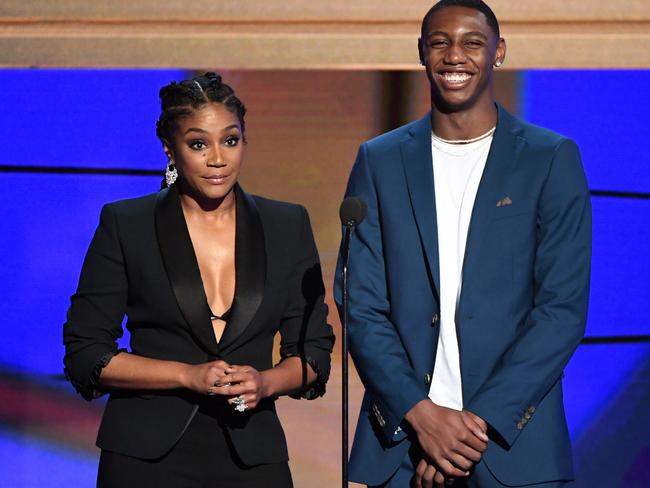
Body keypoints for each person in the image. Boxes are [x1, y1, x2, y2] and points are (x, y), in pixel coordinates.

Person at [334, 1, 591, 487]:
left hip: (513, 449)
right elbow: (359, 302)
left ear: (498, 52)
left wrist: (468, 431)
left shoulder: (550, 158)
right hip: (402, 446)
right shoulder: (379, 161)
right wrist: (423, 417)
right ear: (422, 53)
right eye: (440, 42)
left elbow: (562, 310)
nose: (456, 56)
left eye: (473, 42)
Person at [63, 72, 334, 487]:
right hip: (145, 459)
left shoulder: (286, 225)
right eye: (198, 144)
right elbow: (86, 354)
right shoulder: (127, 224)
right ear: (170, 151)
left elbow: (313, 354)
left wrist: (266, 382)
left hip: (253, 457)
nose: (218, 159)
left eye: (230, 140)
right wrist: (187, 375)